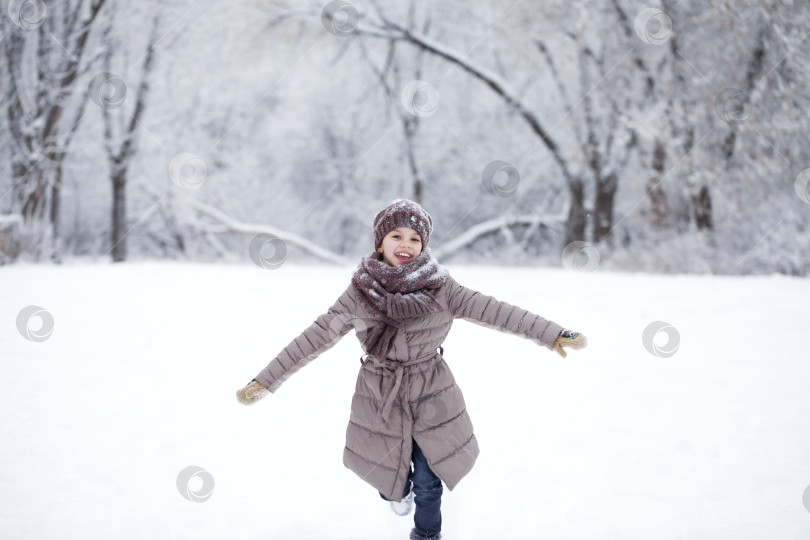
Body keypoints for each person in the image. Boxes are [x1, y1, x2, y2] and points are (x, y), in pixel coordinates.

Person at [236, 198, 587, 540]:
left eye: (415, 238)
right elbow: (314, 338)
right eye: (396, 236)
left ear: (424, 244)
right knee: (388, 478)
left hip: (430, 390)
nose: (406, 244)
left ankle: (427, 534)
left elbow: (497, 311)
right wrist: (265, 381)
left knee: (429, 479)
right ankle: (395, 493)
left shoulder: (442, 288)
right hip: (380, 393)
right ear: (380, 241)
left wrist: (552, 333)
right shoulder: (359, 292)